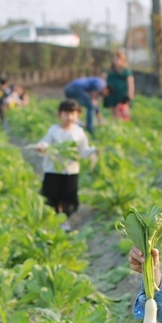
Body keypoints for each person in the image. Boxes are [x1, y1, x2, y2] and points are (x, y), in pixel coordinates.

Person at [27, 99, 98, 232]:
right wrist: (42, 147)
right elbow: (45, 143)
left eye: (73, 114)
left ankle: (64, 220)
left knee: (68, 197)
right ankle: (53, 220)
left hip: (70, 171)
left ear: (78, 115)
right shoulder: (53, 130)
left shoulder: (79, 132)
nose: (69, 117)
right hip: (53, 170)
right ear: (60, 114)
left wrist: (93, 151)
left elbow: (83, 151)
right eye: (66, 113)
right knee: (51, 196)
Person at [103, 50, 134, 119]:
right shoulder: (109, 70)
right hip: (111, 95)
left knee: (123, 112)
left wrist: (130, 96)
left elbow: (130, 84)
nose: (117, 61)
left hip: (122, 96)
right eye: (115, 58)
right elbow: (103, 81)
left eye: (119, 59)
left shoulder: (126, 71)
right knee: (114, 113)